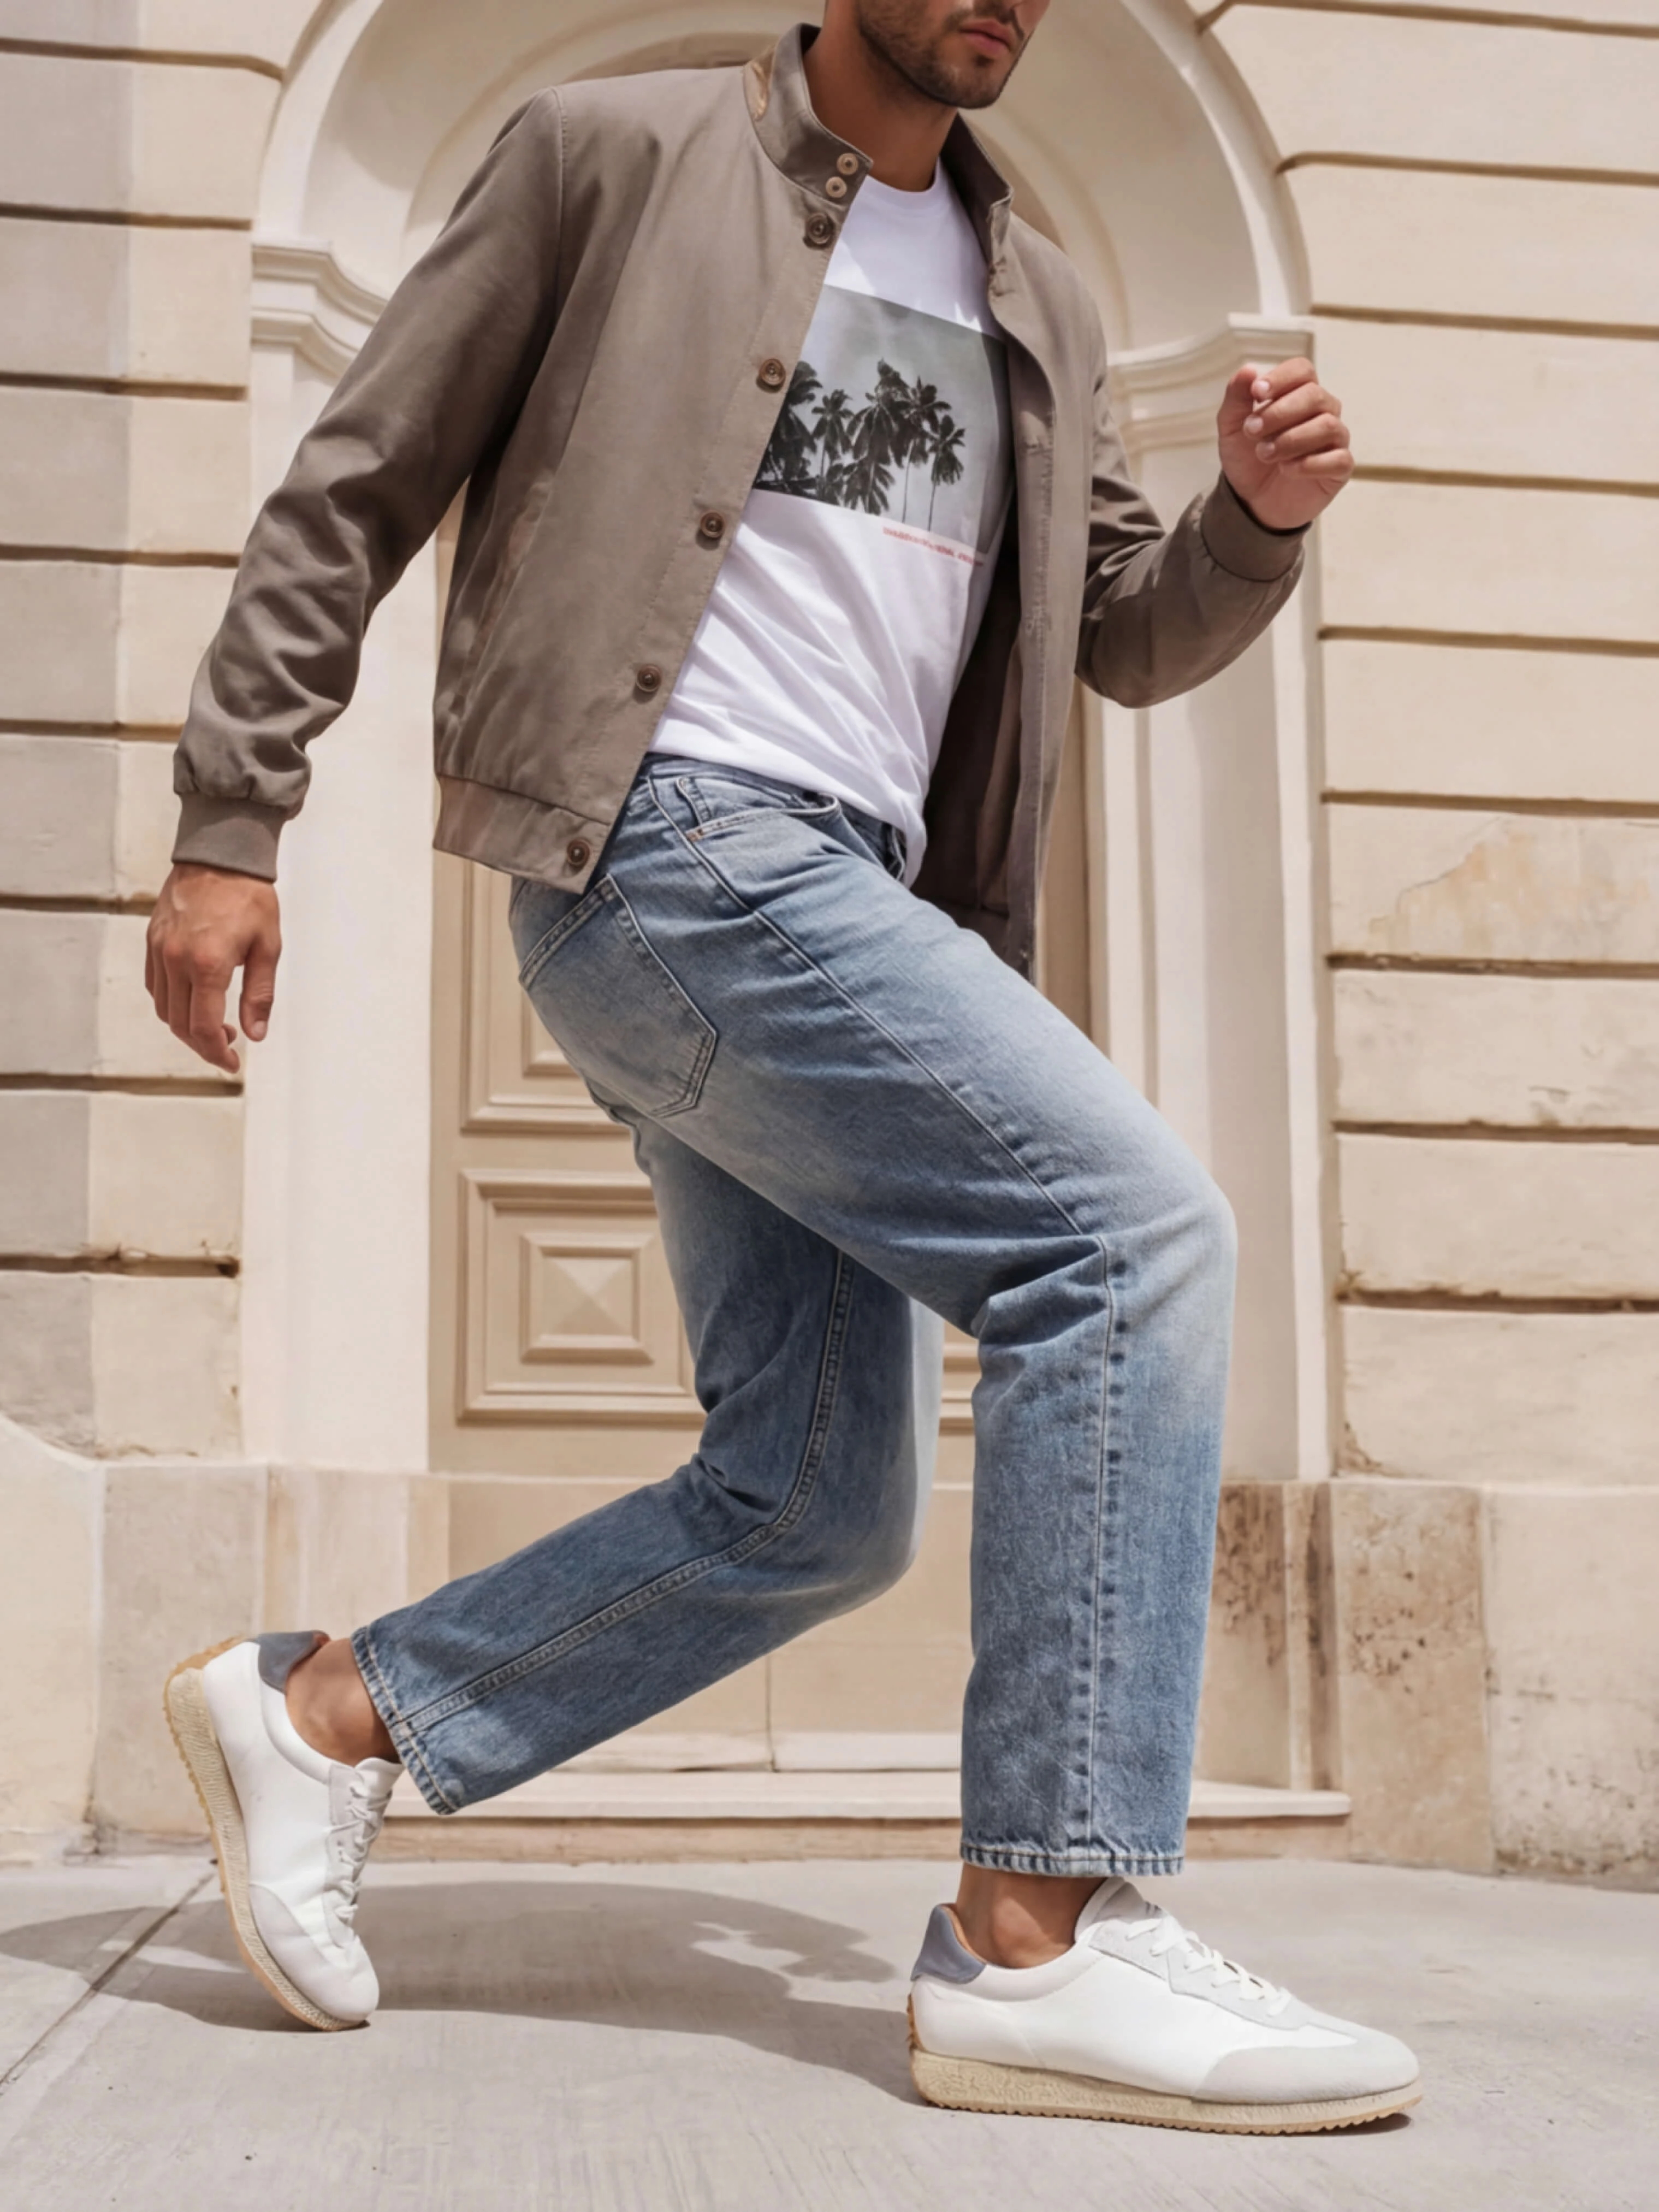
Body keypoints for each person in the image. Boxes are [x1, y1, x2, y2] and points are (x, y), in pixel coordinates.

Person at [148, 2, 1418, 2133]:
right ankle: (1040, 1935)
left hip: (858, 897)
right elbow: (355, 482)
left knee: (817, 1502)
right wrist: (228, 819)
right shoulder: (607, 155)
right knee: (1129, 1244)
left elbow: (1120, 625)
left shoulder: (1037, 291)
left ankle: (333, 1716)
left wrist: (1254, 525)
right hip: (671, 847)